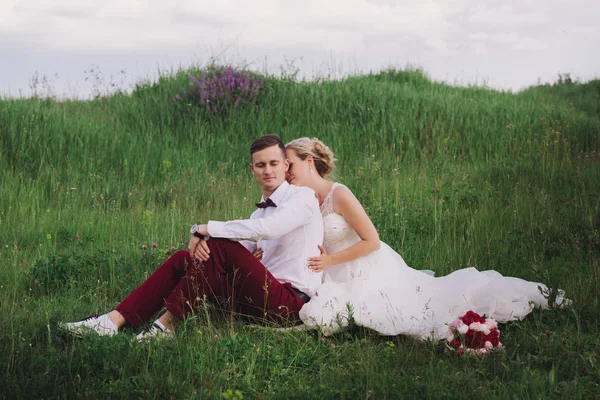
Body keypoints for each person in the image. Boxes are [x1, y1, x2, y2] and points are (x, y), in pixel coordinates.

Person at [284, 137, 570, 339]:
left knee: (418, 311)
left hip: (365, 267)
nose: (285, 173)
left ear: (308, 162)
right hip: (331, 273)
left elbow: (373, 241)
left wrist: (330, 259)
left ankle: (532, 298)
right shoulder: (303, 199)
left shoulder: (340, 194)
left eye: (289, 165)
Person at [61, 134, 323, 340]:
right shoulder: (256, 217)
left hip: (288, 305)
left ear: (285, 165)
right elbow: (230, 254)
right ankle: (113, 321)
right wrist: (201, 239)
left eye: (274, 163)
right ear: (252, 169)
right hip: (255, 301)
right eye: (261, 165)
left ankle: (166, 327)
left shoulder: (304, 199)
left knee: (219, 244)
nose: (268, 170)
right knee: (182, 259)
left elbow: (271, 228)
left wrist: (203, 228)